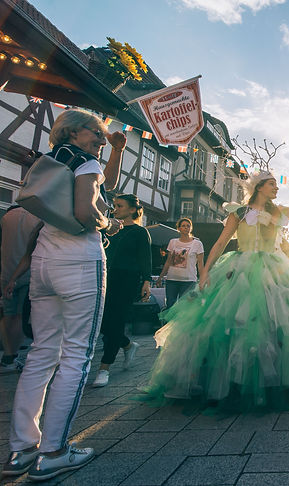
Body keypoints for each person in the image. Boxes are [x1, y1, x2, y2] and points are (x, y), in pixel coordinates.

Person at [142, 159, 289, 411]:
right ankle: (230, 379)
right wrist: (204, 271)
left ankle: (276, 378)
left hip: (275, 269)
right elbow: (221, 243)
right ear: (259, 187)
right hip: (241, 268)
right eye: (272, 184)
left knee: (276, 323)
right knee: (236, 321)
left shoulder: (278, 212)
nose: (276, 188)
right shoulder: (239, 213)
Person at [1, 109, 125, 480]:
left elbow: (105, 184)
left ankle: (21, 449)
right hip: (79, 262)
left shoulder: (51, 160)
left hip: (43, 261)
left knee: (41, 353)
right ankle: (54, 451)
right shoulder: (86, 163)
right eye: (97, 134)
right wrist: (108, 223)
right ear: (73, 131)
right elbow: (87, 209)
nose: (102, 140)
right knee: (76, 355)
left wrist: (116, 153)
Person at [91, 194, 152, 387]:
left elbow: (145, 258)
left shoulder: (140, 232)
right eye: (114, 205)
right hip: (105, 276)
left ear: (132, 209)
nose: (115, 209)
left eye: (119, 206)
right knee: (101, 321)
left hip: (127, 279)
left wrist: (146, 281)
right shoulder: (108, 229)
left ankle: (104, 368)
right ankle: (126, 344)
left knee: (116, 320)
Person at [0, 207, 41, 374]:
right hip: (27, 271)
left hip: (6, 271)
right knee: (19, 316)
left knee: (7, 314)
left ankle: (6, 354)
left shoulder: (7, 216)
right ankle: (11, 356)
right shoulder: (38, 217)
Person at [155, 217, 204, 308]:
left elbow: (200, 264)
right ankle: (169, 322)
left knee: (185, 307)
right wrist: (161, 276)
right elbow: (168, 261)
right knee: (170, 305)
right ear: (179, 228)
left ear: (191, 228)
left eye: (188, 226)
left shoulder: (197, 244)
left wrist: (202, 280)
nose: (186, 228)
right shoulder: (173, 242)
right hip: (172, 280)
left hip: (188, 281)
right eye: (183, 226)